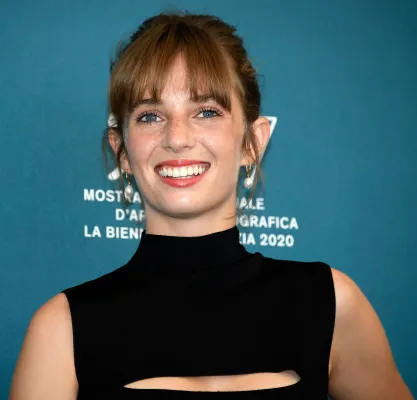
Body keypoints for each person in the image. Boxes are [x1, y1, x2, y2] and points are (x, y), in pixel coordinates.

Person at [9, 11, 413, 400]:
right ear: (123, 152)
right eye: (150, 116)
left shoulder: (330, 304)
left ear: (253, 142)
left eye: (206, 112)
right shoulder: (62, 329)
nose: (177, 138)